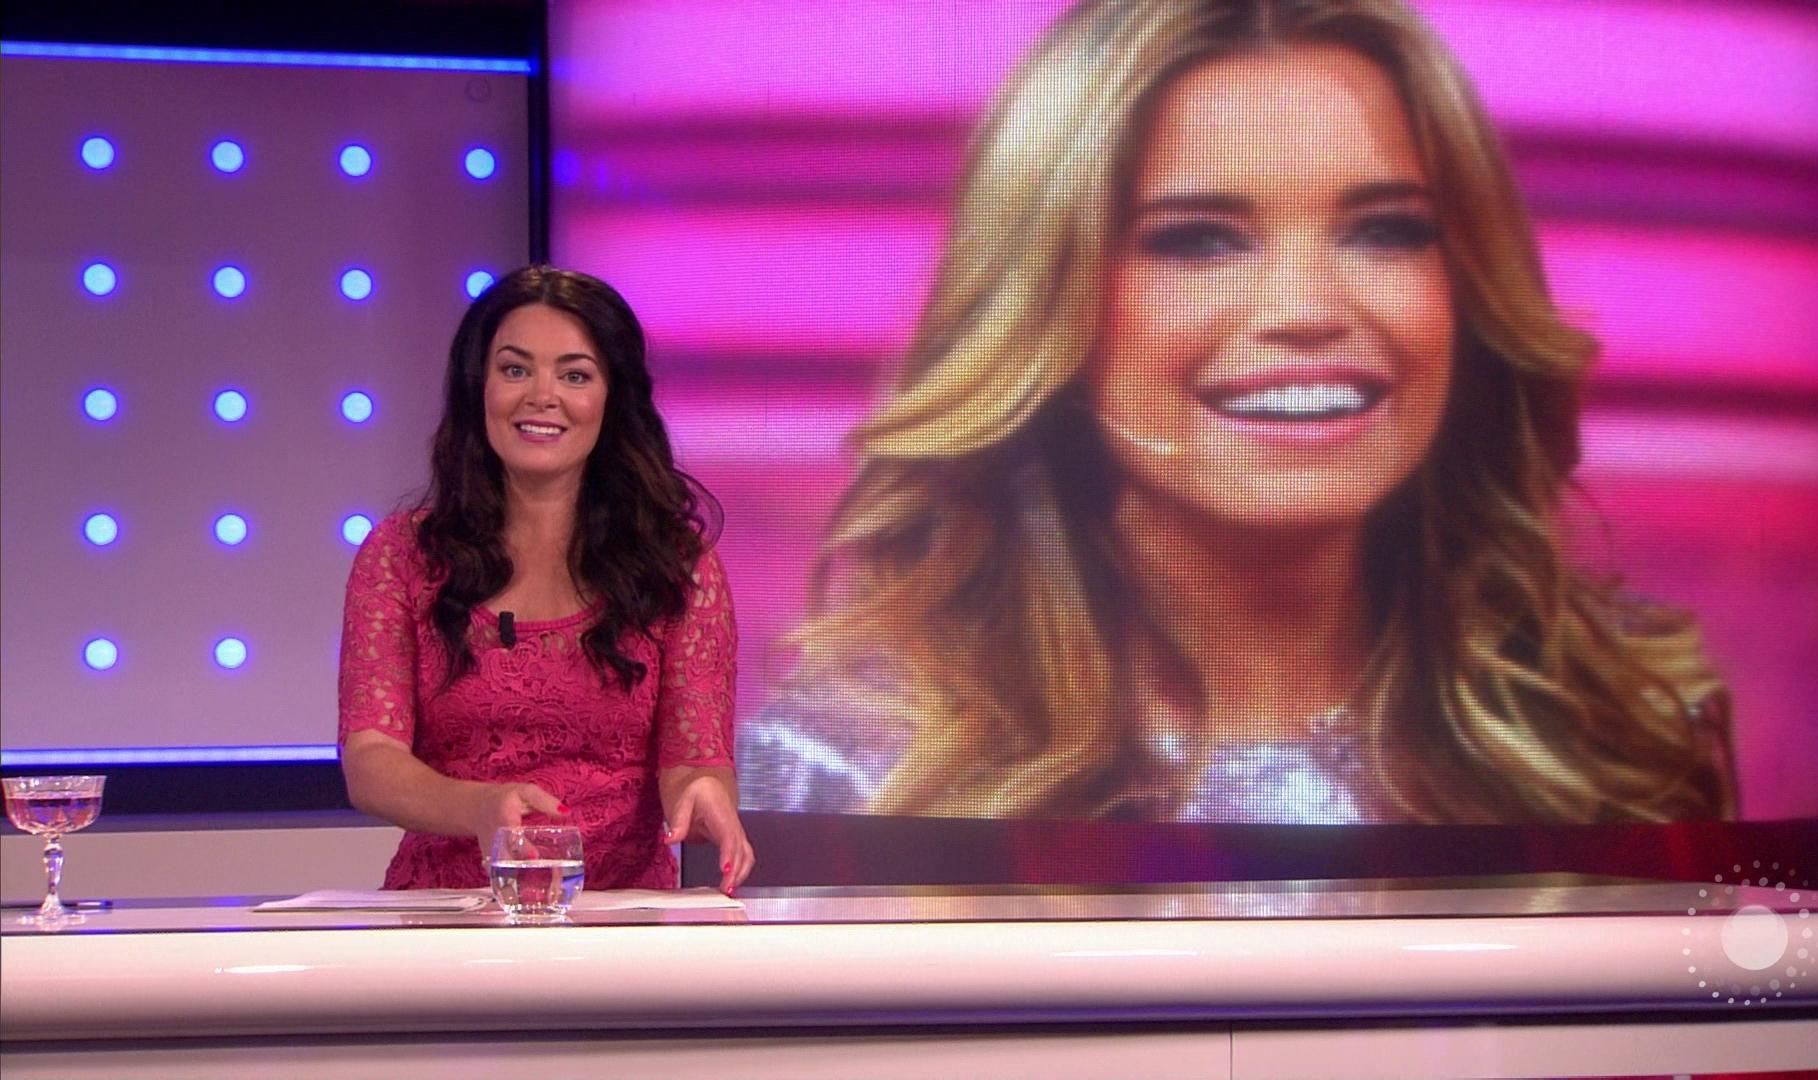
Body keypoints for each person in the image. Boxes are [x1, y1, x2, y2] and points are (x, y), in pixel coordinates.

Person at [742, 0, 1737, 824]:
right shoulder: (851, 771)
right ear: (1046, 306)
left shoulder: (1627, 735)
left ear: (1467, 291)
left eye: (1386, 231)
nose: (1307, 309)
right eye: (1199, 241)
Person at [338, 265, 754, 893]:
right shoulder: (401, 558)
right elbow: (371, 763)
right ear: (479, 387)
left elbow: (694, 763)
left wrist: (705, 796)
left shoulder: (677, 566)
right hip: (445, 917)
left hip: (618, 921)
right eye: (515, 370)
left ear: (611, 399)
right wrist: (478, 807)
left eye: (574, 375)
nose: (541, 395)